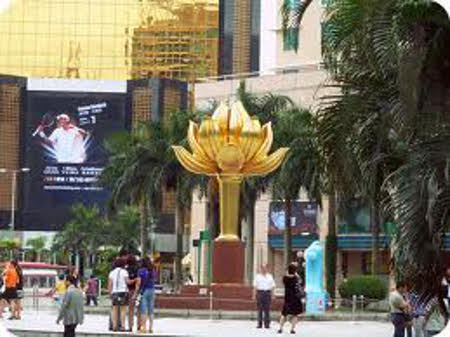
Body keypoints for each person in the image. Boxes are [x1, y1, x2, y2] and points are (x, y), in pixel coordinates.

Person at [278, 263, 303, 334]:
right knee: (295, 314)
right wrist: (296, 274)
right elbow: (300, 282)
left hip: (287, 298)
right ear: (295, 270)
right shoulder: (296, 278)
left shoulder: (285, 278)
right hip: (295, 298)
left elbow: (286, 277)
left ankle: (280, 328)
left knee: (284, 314)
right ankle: (292, 329)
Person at [108, 258, 131, 332]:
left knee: (114, 310)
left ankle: (114, 326)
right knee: (123, 310)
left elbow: (110, 284)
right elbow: (127, 282)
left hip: (114, 292)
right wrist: (135, 280)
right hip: (123, 292)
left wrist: (110, 293)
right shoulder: (125, 272)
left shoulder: (112, 272)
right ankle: (123, 326)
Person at [136, 257, 156, 334]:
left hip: (144, 291)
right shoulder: (153, 271)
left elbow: (139, 283)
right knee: (151, 309)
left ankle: (144, 327)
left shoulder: (141, 271)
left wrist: (137, 292)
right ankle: (151, 328)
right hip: (152, 290)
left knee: (143, 310)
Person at [253, 264, 275, 329]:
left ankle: (267, 324)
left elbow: (273, 286)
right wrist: (254, 295)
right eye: (262, 268)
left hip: (267, 293)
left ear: (267, 269)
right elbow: (255, 287)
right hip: (260, 293)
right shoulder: (257, 276)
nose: (264, 269)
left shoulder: (270, 276)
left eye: (265, 268)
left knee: (267, 309)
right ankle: (259, 324)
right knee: (259, 309)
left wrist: (273, 294)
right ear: (260, 269)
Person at [126, 255, 139, 332]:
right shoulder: (138, 269)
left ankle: (130, 326)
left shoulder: (126, 270)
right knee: (138, 309)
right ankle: (139, 325)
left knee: (130, 309)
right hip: (137, 290)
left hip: (129, 290)